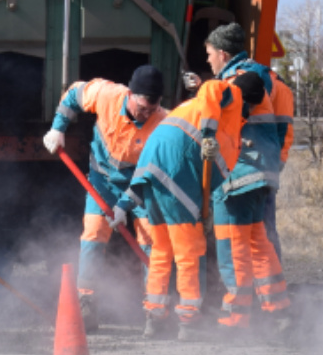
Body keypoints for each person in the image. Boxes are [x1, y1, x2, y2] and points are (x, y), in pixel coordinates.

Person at [113, 75, 264, 340]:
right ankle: (188, 320)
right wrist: (208, 134)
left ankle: (155, 317)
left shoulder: (196, 111)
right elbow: (212, 87)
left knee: (161, 250)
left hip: (155, 163)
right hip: (177, 169)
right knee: (190, 253)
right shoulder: (229, 94)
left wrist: (125, 203)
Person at [42, 65, 169, 332]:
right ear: (130, 95)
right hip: (102, 181)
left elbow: (154, 174)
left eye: (152, 109)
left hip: (140, 186)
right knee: (93, 234)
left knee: (151, 240)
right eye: (142, 108)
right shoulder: (107, 94)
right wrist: (58, 128)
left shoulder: (163, 122)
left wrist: (126, 204)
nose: (146, 114)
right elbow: (74, 94)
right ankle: (86, 304)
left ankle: (155, 312)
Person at [204, 24, 292, 330]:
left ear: (224, 53)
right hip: (264, 172)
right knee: (260, 243)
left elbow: (215, 124)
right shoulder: (267, 79)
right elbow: (281, 128)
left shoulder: (231, 85)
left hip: (237, 175)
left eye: (210, 54)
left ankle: (236, 317)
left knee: (232, 248)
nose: (208, 60)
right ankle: (277, 309)